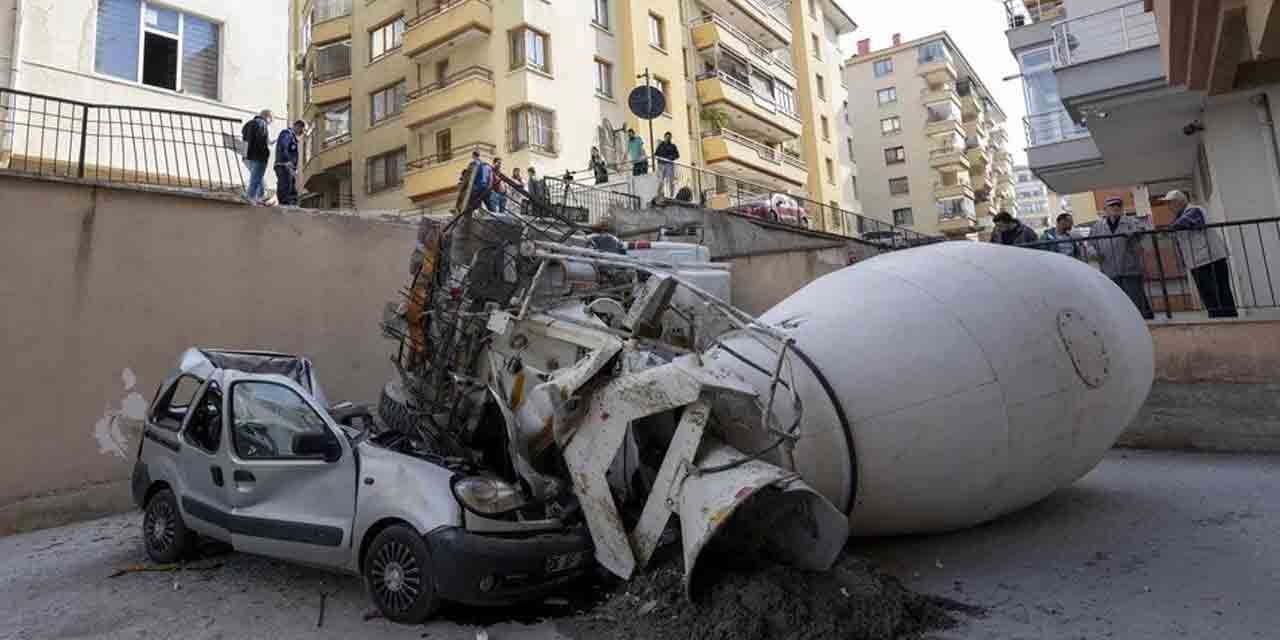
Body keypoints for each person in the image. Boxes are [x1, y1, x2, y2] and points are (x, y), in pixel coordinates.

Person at [1165, 190, 1237, 318]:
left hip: (1210, 259)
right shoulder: (1180, 216)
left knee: (1220, 291)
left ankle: (1228, 319)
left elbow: (1179, 225)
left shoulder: (1194, 210)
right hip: (1198, 261)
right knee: (1208, 294)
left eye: (1170, 203)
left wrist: (1169, 228)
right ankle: (1218, 319)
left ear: (1179, 202)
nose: (1168, 207)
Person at [1088, 196, 1154, 320]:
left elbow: (1144, 230)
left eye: (1118, 205)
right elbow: (1090, 244)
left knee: (1134, 299)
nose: (1116, 208)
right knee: (1116, 300)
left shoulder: (1131, 221)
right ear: (1105, 209)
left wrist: (1134, 232)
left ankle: (1141, 322)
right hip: (1109, 269)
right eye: (1112, 206)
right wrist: (1094, 253)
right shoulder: (1097, 227)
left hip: (1129, 268)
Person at [242, 109, 273, 204]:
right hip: (259, 157)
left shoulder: (248, 124)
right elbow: (261, 141)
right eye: (271, 120)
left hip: (248, 156)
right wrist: (266, 152)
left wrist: (245, 155)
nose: (270, 122)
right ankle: (251, 199)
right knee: (255, 180)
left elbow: (245, 139)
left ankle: (261, 196)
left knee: (257, 177)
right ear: (267, 117)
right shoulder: (262, 124)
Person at [273, 120, 305, 206]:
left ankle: (289, 206)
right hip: (284, 165)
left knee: (290, 188)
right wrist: (288, 161)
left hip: (288, 167)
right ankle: (284, 206)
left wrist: (294, 168)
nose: (302, 132)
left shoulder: (292, 137)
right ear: (297, 126)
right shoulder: (287, 134)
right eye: (301, 130)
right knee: (284, 186)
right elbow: (284, 146)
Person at [654, 132, 680, 197]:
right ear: (664, 137)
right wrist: (659, 160)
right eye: (666, 137)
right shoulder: (660, 145)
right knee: (660, 181)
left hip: (669, 164)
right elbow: (656, 154)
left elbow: (677, 155)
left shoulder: (672, 146)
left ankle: (671, 195)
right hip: (661, 165)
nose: (667, 138)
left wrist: (671, 157)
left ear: (670, 138)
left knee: (670, 180)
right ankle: (659, 194)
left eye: (669, 137)